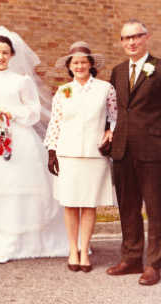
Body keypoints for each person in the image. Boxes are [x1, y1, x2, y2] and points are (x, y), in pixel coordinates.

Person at [0, 26, 69, 264]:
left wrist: (10, 113)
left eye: (5, 52)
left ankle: (20, 241)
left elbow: (33, 111)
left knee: (16, 185)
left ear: (12, 55)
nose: (0, 57)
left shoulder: (22, 81)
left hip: (18, 138)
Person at [106, 19, 161, 285]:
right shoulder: (117, 71)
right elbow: (114, 110)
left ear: (146, 38)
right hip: (123, 150)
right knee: (127, 208)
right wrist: (108, 132)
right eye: (126, 38)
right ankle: (131, 258)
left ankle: (154, 264)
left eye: (136, 37)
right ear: (121, 42)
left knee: (155, 208)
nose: (131, 42)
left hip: (154, 150)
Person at [44, 41, 117, 272]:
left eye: (84, 61)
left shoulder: (105, 89)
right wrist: (52, 151)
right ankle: (72, 249)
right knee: (70, 203)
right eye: (75, 62)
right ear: (69, 65)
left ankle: (85, 250)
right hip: (68, 154)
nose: (79, 65)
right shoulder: (64, 91)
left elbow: (115, 116)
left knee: (88, 204)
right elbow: (55, 122)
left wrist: (110, 132)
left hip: (95, 154)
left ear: (91, 64)